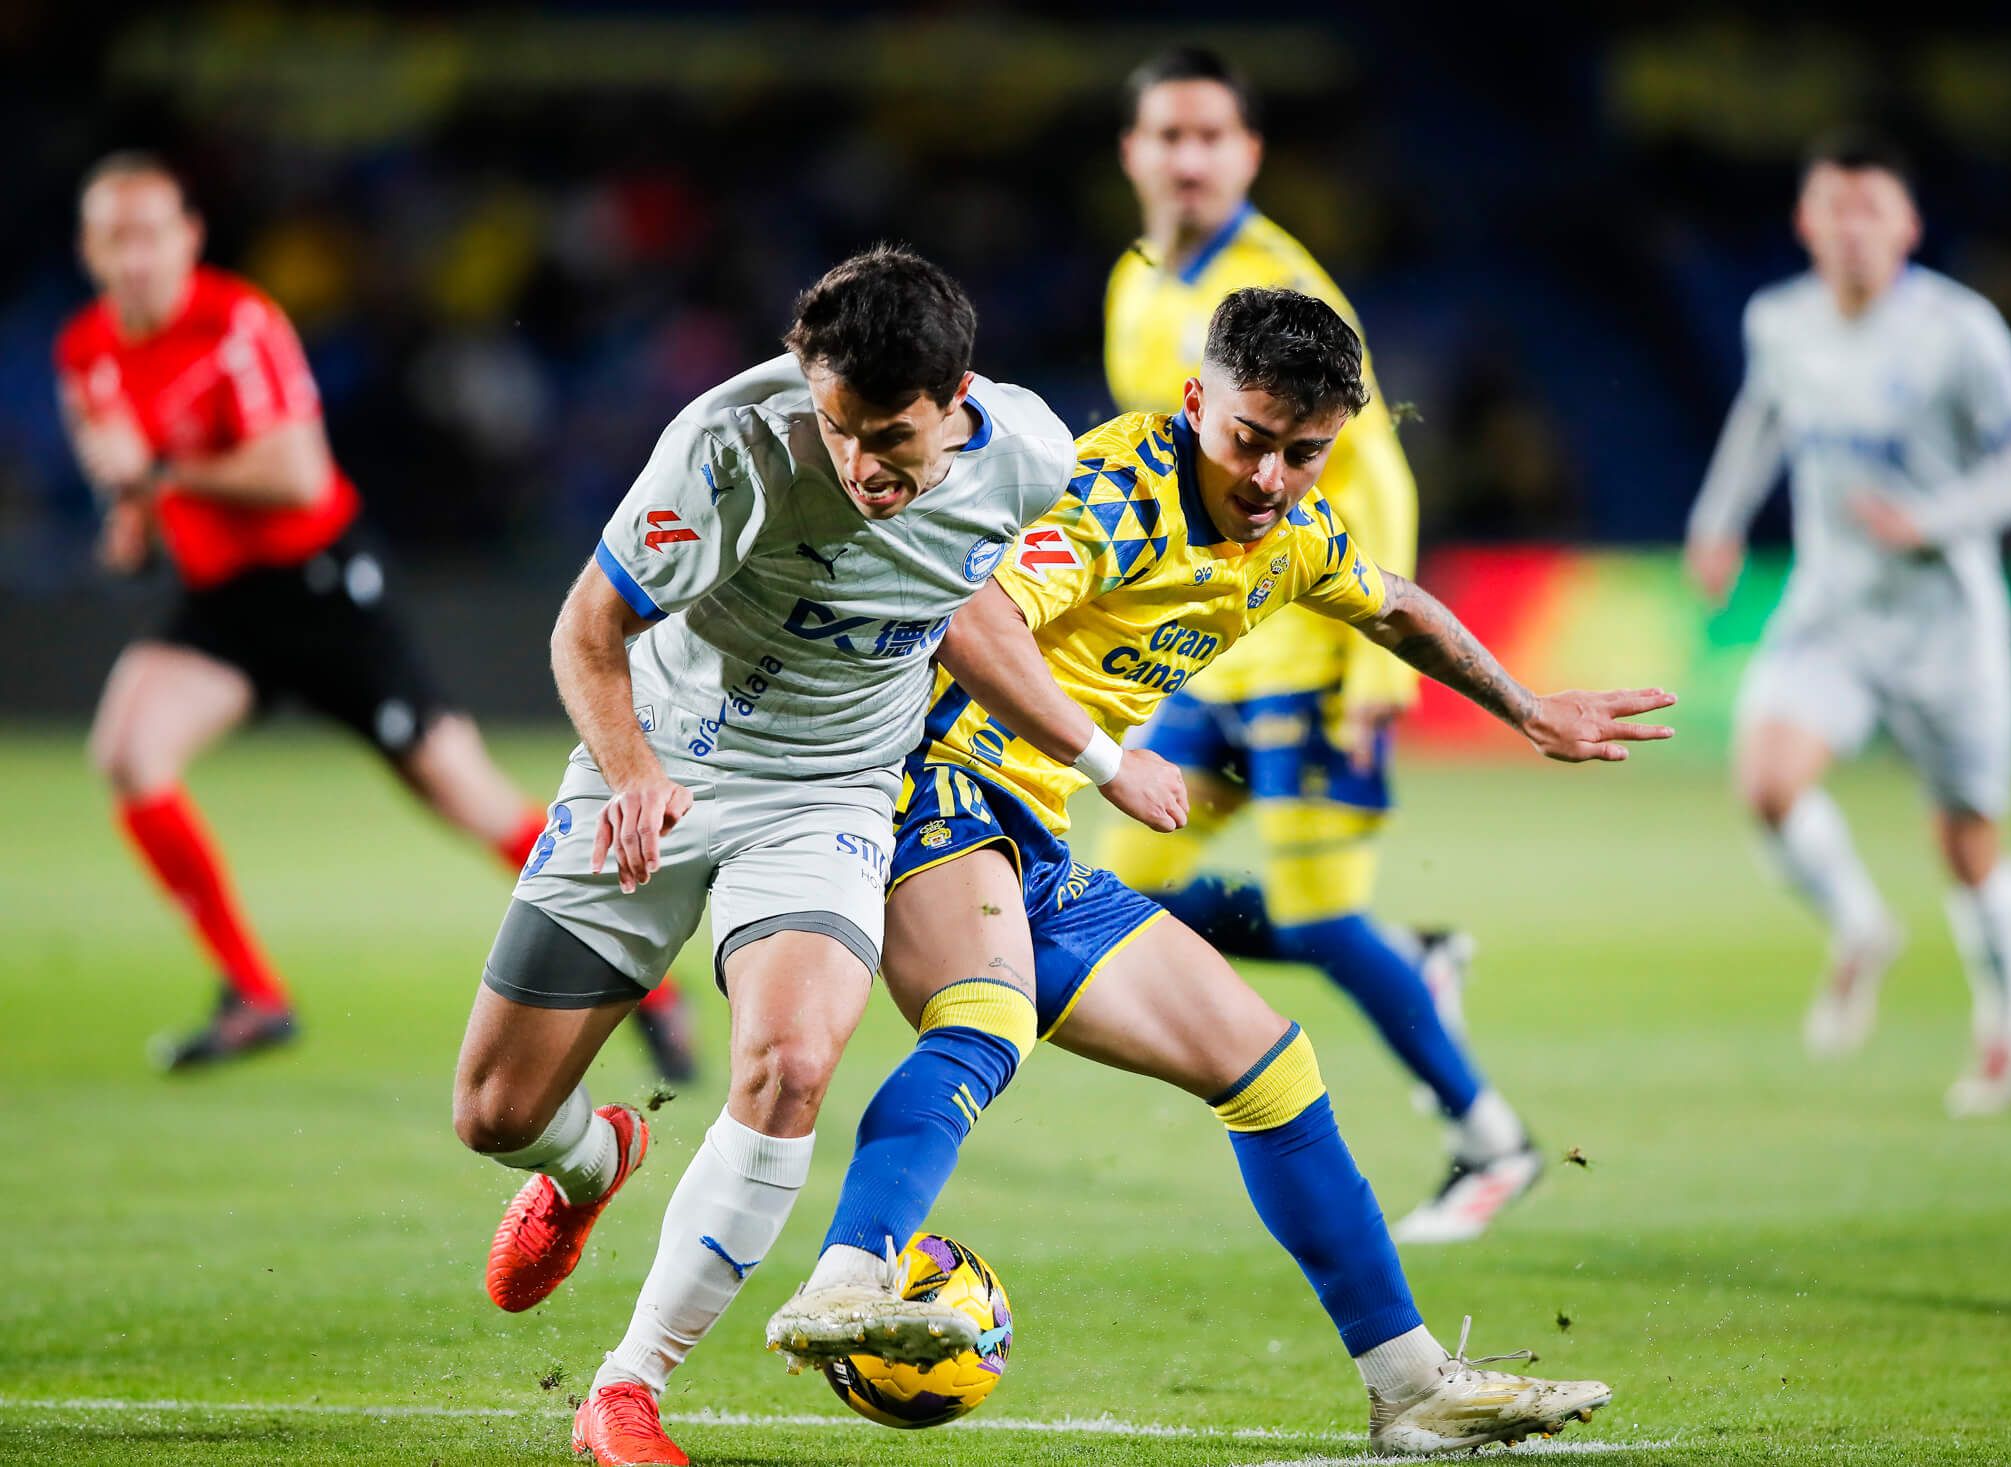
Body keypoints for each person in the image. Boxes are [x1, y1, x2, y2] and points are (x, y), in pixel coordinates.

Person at [756, 288, 1671, 1460]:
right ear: (1196, 404)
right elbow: (967, 618)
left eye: (1305, 453)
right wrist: (1107, 758)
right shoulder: (1111, 494)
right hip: (922, 781)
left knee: (1272, 1070)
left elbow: (1392, 606)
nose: (1272, 476)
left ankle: (1410, 1389)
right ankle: (844, 1283)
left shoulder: (1289, 534)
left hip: (1029, 832)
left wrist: (1528, 706)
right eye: (1249, 439)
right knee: (986, 1016)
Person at [449, 246, 1184, 1466]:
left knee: (790, 1063)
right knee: (494, 1112)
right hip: (658, 769)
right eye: (837, 427)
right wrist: (633, 775)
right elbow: (587, 629)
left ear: (957, 401)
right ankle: (592, 1162)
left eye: (886, 436)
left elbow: (959, 605)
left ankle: (629, 1387)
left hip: (831, 794)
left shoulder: (1034, 456)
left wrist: (1099, 759)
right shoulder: (726, 448)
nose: (857, 464)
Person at [53, 151, 695, 1078]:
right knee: (128, 750)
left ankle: (653, 989)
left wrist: (153, 470)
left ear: (188, 238)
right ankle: (254, 995)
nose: (137, 255)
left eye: (152, 233)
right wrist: (128, 517)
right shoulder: (86, 348)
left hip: (321, 588)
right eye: (116, 237)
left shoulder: (236, 322)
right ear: (91, 249)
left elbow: (297, 473)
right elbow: (126, 486)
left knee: (466, 795)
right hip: (224, 603)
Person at [1096, 47, 1535, 1239]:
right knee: (1099, 904)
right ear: (1133, 151)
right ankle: (1406, 959)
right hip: (1207, 656)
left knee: (1318, 914)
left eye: (1210, 137)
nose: (1187, 157)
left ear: (1248, 153)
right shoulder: (1136, 281)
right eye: (1166, 135)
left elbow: (1372, 466)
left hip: (1312, 652)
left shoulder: (1280, 288)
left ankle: (1490, 1141)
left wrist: (1378, 657)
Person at [1684, 129, 2011, 1116]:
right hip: (1833, 606)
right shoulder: (1779, 321)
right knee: (1765, 783)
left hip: (1943, 621)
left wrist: (1925, 520)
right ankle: (1858, 928)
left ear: (1906, 226)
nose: (1851, 230)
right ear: (1805, 222)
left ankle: (2007, 1026)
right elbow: (1763, 415)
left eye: (1870, 211)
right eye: (1833, 210)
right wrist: (1717, 521)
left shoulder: (1960, 329)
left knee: (1966, 843)